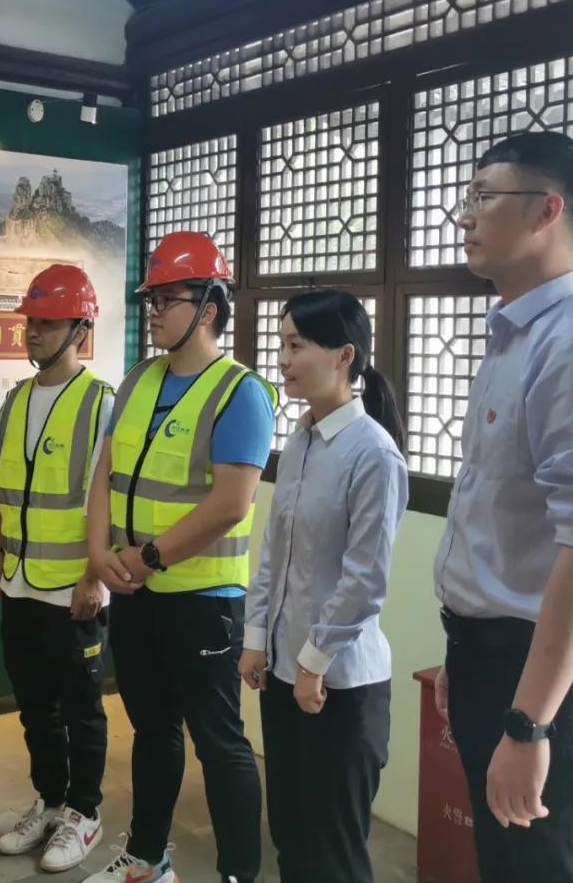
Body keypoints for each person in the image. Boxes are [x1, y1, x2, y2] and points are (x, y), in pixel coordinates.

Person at [433, 131, 573, 882]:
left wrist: (530, 721)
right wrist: (466, 652)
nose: (465, 215)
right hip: (496, 657)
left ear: (547, 211)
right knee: (508, 864)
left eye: (483, 196)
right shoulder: (514, 338)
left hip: (555, 678)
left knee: (549, 868)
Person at [84, 232, 277, 883]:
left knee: (220, 744)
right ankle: (147, 859)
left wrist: (146, 558)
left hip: (204, 601)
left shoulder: (239, 392)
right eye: (152, 300)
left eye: (168, 299)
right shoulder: (138, 379)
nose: (155, 311)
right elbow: (105, 473)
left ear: (210, 309)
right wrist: (99, 554)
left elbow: (231, 504)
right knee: (153, 731)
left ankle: (237, 875)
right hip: (135, 595)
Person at [239, 290, 408, 883]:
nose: (283, 359)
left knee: (333, 851)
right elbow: (273, 555)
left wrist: (312, 662)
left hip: (340, 686)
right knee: (291, 835)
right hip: (284, 673)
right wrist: (256, 638)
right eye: (281, 344)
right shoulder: (300, 441)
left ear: (344, 356)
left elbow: (365, 581)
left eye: (297, 345)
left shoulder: (373, 454)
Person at [0, 264, 115, 873]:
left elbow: (106, 498)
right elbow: (2, 486)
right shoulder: (14, 400)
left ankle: (84, 813)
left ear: (79, 330)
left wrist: (95, 576)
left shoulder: (100, 402)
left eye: (47, 323)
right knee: (35, 708)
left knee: (82, 709)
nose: (32, 332)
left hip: (73, 589)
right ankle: (51, 801)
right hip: (18, 582)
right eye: (30, 321)